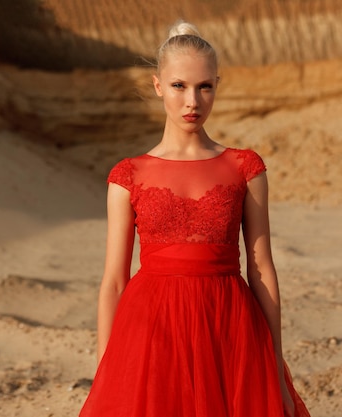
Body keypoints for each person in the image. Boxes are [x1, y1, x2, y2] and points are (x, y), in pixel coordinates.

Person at [78, 20, 310, 417]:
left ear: (217, 85)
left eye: (205, 86)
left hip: (229, 327)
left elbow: (262, 270)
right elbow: (114, 280)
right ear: (157, 86)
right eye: (179, 86)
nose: (193, 101)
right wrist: (107, 373)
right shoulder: (127, 175)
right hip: (151, 328)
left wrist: (275, 366)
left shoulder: (245, 167)